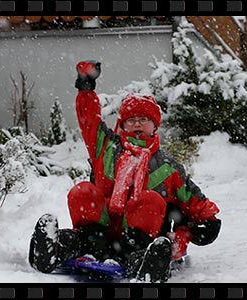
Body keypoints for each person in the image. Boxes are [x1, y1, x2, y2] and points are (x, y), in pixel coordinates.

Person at [31, 60, 223, 282]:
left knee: (150, 200)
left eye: (144, 119)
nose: (137, 124)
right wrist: (86, 88)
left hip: (140, 238)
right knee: (82, 191)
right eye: (131, 120)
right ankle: (55, 249)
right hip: (99, 234)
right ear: (122, 125)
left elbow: (192, 198)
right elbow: (89, 122)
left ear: (155, 126)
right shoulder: (107, 148)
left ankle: (145, 262)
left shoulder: (167, 166)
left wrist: (207, 221)